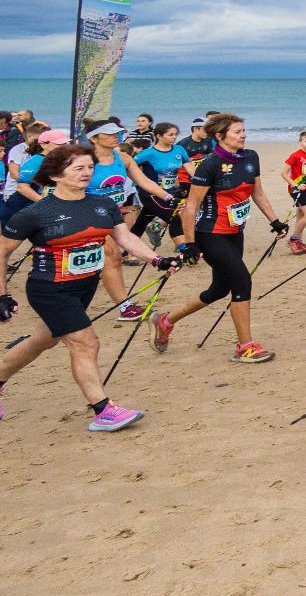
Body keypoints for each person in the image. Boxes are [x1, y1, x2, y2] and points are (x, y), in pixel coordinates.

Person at [0, 145, 183, 431]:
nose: (87, 173)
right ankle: (103, 411)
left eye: (89, 168)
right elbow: (2, 253)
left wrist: (156, 259)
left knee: (43, 340)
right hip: (50, 289)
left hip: (85, 287)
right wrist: (3, 294)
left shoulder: (102, 204)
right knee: (86, 342)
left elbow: (124, 238)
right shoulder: (36, 213)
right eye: (78, 168)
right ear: (56, 175)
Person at [151, 115, 288, 363]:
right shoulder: (209, 165)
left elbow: (257, 192)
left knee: (219, 289)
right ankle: (245, 346)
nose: (243, 135)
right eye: (237, 132)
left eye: (244, 130)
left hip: (235, 233)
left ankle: (166, 320)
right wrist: (189, 244)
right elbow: (191, 206)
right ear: (220, 136)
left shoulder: (250, 157)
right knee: (242, 283)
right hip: (210, 234)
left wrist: (274, 221)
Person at [80, 119, 170, 319]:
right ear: (94, 138)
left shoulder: (123, 158)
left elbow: (144, 181)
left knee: (110, 260)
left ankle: (120, 304)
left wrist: (168, 197)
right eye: (110, 133)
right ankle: (124, 307)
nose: (116, 136)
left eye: (118, 133)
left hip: (112, 216)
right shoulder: (84, 160)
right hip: (87, 217)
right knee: (111, 258)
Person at [131, 122, 189, 252]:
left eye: (175, 134)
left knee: (142, 222)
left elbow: (190, 169)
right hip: (151, 194)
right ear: (159, 136)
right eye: (170, 135)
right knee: (174, 216)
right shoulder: (148, 153)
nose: (174, 137)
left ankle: (126, 252)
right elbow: (129, 167)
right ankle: (184, 249)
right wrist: (138, 181)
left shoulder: (179, 150)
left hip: (170, 193)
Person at [277, 130, 306, 255]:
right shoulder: (295, 155)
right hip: (296, 189)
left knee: (301, 217)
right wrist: (295, 184)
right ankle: (293, 239)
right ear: (300, 142)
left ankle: (299, 243)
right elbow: (283, 173)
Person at [2, 121, 49, 229]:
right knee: (11, 226)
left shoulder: (44, 151)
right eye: (40, 138)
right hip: (15, 191)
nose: (41, 141)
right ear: (30, 135)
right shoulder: (18, 150)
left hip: (35, 191)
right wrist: (28, 184)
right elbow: (14, 173)